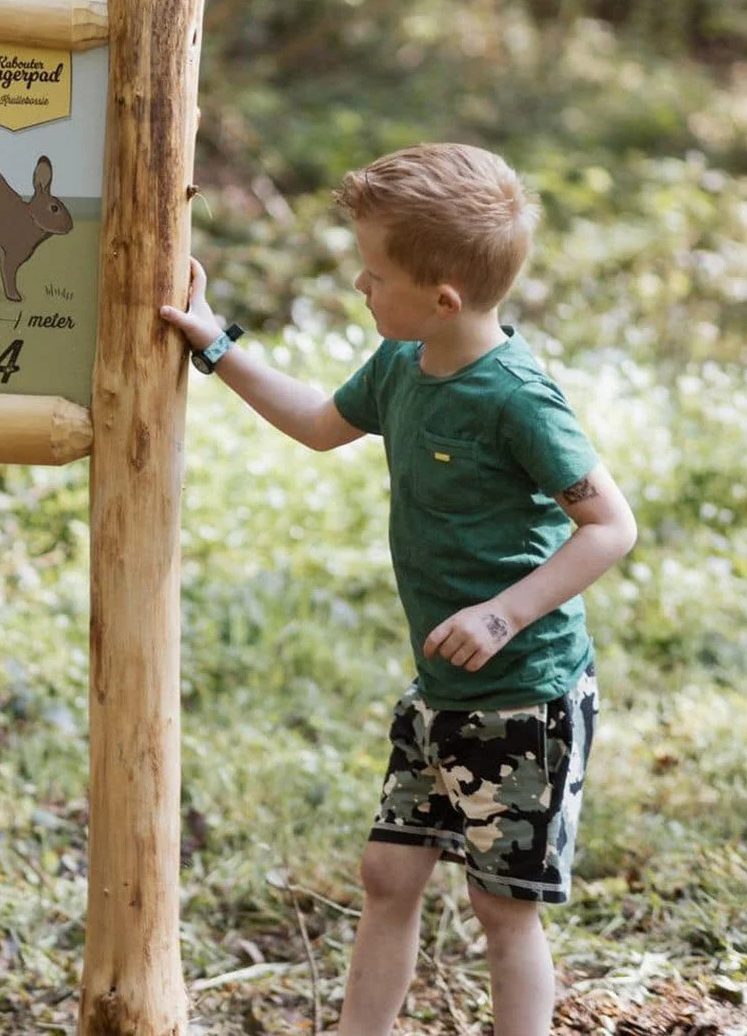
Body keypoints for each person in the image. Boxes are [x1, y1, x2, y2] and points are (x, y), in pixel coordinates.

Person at [160, 142, 638, 1036]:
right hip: (442, 692)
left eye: (374, 274)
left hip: (523, 696)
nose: (359, 285)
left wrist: (504, 613)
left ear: (443, 296)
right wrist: (216, 345)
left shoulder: (517, 398)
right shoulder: (400, 366)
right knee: (388, 874)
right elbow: (314, 422)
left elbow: (611, 524)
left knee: (504, 912)